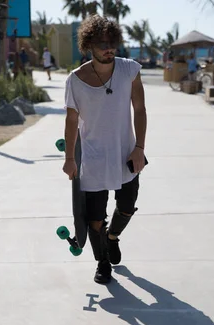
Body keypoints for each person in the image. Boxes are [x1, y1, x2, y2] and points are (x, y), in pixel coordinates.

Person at [62, 14, 147, 284]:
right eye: (102, 44)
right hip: (94, 158)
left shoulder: (130, 69)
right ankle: (102, 263)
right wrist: (69, 159)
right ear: (89, 45)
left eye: (112, 43)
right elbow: (72, 120)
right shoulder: (75, 80)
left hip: (126, 153)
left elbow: (140, 109)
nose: (109, 48)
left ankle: (112, 238)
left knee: (127, 207)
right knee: (94, 219)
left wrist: (139, 147)